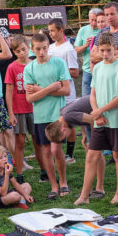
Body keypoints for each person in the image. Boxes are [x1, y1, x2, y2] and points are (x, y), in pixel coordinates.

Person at [74, 32, 118, 206]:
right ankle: (84, 195)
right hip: (100, 120)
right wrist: (97, 112)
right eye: (102, 50)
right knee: (91, 155)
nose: (105, 54)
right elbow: (92, 93)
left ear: (115, 49)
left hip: (117, 119)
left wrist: (100, 111)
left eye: (109, 50)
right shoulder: (97, 68)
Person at [25, 32, 70, 200]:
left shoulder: (58, 63)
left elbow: (66, 90)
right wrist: (50, 88)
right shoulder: (29, 68)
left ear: (48, 47)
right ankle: (53, 185)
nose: (42, 52)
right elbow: (30, 98)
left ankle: (63, 182)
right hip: (40, 116)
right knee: (45, 151)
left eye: (44, 48)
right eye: (38, 49)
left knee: (56, 149)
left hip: (57, 115)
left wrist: (39, 90)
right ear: (32, 49)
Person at [48, 19, 80, 163]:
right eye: (49, 31)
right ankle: (57, 150)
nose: (50, 34)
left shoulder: (68, 49)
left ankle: (70, 154)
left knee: (68, 123)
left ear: (61, 30)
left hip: (67, 93)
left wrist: (58, 72)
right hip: (54, 93)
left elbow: (74, 72)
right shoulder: (49, 47)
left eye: (53, 30)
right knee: (56, 123)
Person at [4, 35, 35, 183]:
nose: (22, 53)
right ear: (14, 52)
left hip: (34, 107)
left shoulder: (35, 64)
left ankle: (44, 170)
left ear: (28, 47)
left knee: (38, 140)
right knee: (20, 141)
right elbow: (8, 91)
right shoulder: (12, 67)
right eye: (18, 51)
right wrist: (11, 113)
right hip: (19, 108)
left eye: (23, 49)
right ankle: (20, 172)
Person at [0, 144, 34, 210]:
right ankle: (19, 201)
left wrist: (26, 195)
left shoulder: (4, 167)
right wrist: (7, 174)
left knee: (27, 185)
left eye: (5, 156)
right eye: (0, 158)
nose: (4, 159)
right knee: (15, 195)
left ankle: (21, 202)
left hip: (5, 194)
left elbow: (15, 183)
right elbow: (3, 193)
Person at [74, 8, 103, 97]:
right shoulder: (83, 30)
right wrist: (85, 45)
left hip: (101, 69)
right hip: (87, 70)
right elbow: (76, 50)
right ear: (88, 19)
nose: (94, 23)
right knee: (85, 98)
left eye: (96, 20)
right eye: (91, 20)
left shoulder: (103, 29)